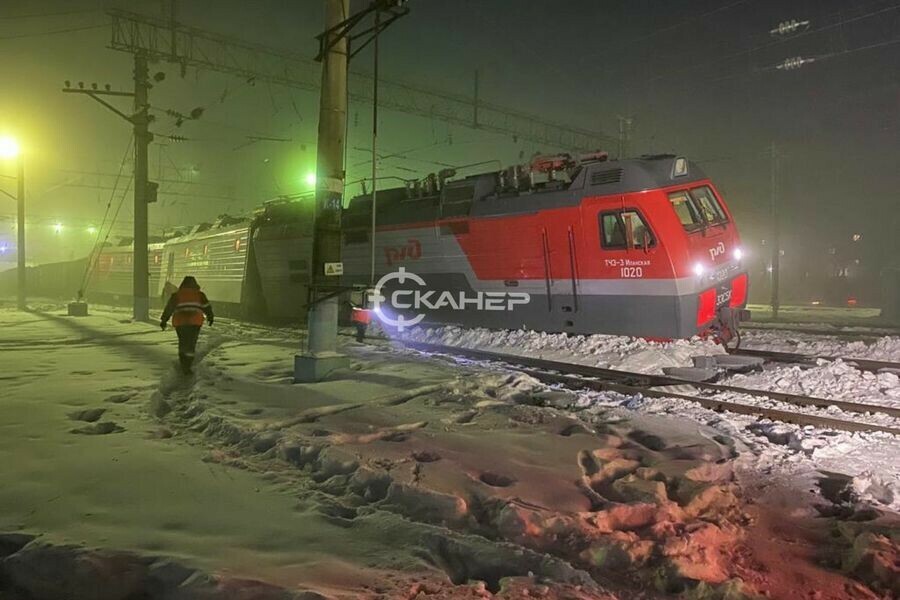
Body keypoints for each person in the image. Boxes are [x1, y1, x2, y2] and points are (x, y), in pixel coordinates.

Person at [160, 276, 214, 374]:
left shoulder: (176, 295)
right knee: (191, 343)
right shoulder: (200, 295)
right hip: (195, 323)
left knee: (183, 342)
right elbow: (207, 308)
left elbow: (169, 308)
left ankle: (183, 362)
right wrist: (210, 317)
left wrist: (164, 321)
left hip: (180, 323)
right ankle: (187, 365)